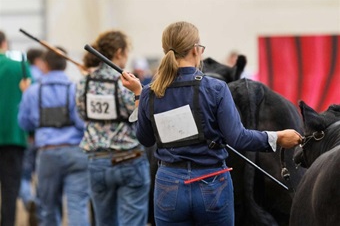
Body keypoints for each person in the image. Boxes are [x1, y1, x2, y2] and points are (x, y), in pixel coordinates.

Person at [120, 21, 302, 225]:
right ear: (196, 50)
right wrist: (278, 137)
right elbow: (238, 138)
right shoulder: (216, 89)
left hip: (168, 185)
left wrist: (138, 95)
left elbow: (145, 139)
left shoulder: (150, 93)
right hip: (212, 183)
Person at [75, 30, 150, 226]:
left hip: (98, 161)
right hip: (129, 159)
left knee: (104, 222)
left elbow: (82, 114)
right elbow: (139, 118)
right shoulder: (125, 82)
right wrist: (138, 93)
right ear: (119, 52)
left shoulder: (84, 82)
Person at [18, 47, 90, 226]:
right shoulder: (75, 89)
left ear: (45, 65)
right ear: (65, 65)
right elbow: (83, 123)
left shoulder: (33, 91)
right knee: (77, 206)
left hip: (48, 154)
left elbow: (24, 123)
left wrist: (25, 94)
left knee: (48, 207)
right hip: (76, 153)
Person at [0, 30, 32, 226]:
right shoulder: (19, 66)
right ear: (5, 43)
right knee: (10, 189)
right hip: (14, 136)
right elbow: (31, 97)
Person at [19, 48, 45, 226]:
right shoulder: (40, 77)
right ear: (38, 60)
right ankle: (39, 203)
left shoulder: (24, 77)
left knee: (24, 175)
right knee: (41, 174)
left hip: (27, 134)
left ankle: (29, 199)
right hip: (42, 135)